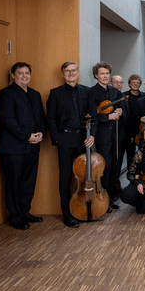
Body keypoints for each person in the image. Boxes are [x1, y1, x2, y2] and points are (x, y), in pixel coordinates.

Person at [0, 62, 47, 230]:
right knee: (14, 183)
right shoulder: (5, 94)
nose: (24, 76)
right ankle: (15, 216)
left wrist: (40, 134)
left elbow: (41, 118)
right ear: (13, 76)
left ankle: (25, 212)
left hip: (33, 147)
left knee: (28, 182)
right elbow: (8, 120)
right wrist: (27, 136)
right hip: (13, 148)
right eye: (20, 73)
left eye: (27, 73)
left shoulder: (35, 94)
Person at [46, 61, 96, 228]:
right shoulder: (55, 93)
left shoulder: (87, 91)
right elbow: (51, 118)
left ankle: (84, 209)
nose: (70, 73)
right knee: (66, 177)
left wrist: (92, 135)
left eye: (73, 70)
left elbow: (94, 117)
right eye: (67, 71)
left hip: (83, 139)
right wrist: (57, 138)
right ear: (62, 74)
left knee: (86, 176)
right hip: (65, 139)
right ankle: (67, 214)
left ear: (77, 72)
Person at [88, 61, 123, 211]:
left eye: (107, 73)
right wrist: (107, 117)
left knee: (114, 166)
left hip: (115, 134)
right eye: (102, 73)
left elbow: (119, 108)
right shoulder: (91, 92)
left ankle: (109, 198)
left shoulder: (115, 92)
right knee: (105, 167)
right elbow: (91, 115)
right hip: (102, 135)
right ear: (96, 75)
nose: (105, 76)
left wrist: (119, 111)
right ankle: (102, 200)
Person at [110, 75, 133, 199]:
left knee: (118, 164)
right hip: (113, 137)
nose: (119, 84)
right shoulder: (109, 97)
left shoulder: (124, 97)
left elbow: (127, 118)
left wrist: (129, 136)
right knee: (113, 165)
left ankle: (116, 187)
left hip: (123, 137)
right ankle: (111, 190)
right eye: (116, 82)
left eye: (120, 82)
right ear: (111, 83)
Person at [123, 75, 145, 164]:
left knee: (143, 154)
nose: (135, 84)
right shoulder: (123, 96)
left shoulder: (144, 96)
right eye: (133, 83)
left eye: (137, 83)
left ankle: (141, 171)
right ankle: (131, 171)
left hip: (141, 128)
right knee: (130, 155)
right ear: (129, 84)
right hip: (128, 129)